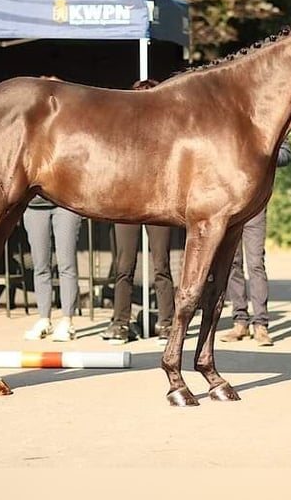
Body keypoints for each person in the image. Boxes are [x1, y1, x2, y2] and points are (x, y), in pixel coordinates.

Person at [101, 78, 176, 346]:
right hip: (127, 204)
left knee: (162, 265)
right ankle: (120, 322)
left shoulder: (168, 132)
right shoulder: (119, 133)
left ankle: (168, 323)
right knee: (124, 265)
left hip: (158, 204)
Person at [220, 139, 291, 347]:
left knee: (255, 264)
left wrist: (260, 153)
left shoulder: (265, 126)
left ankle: (260, 324)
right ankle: (240, 321)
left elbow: (286, 153)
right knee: (232, 264)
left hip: (255, 205)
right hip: (230, 203)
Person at [22, 195, 83, 341]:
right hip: (34, 206)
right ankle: (44, 320)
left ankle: (67, 321)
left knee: (66, 265)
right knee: (40, 266)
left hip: (66, 203)